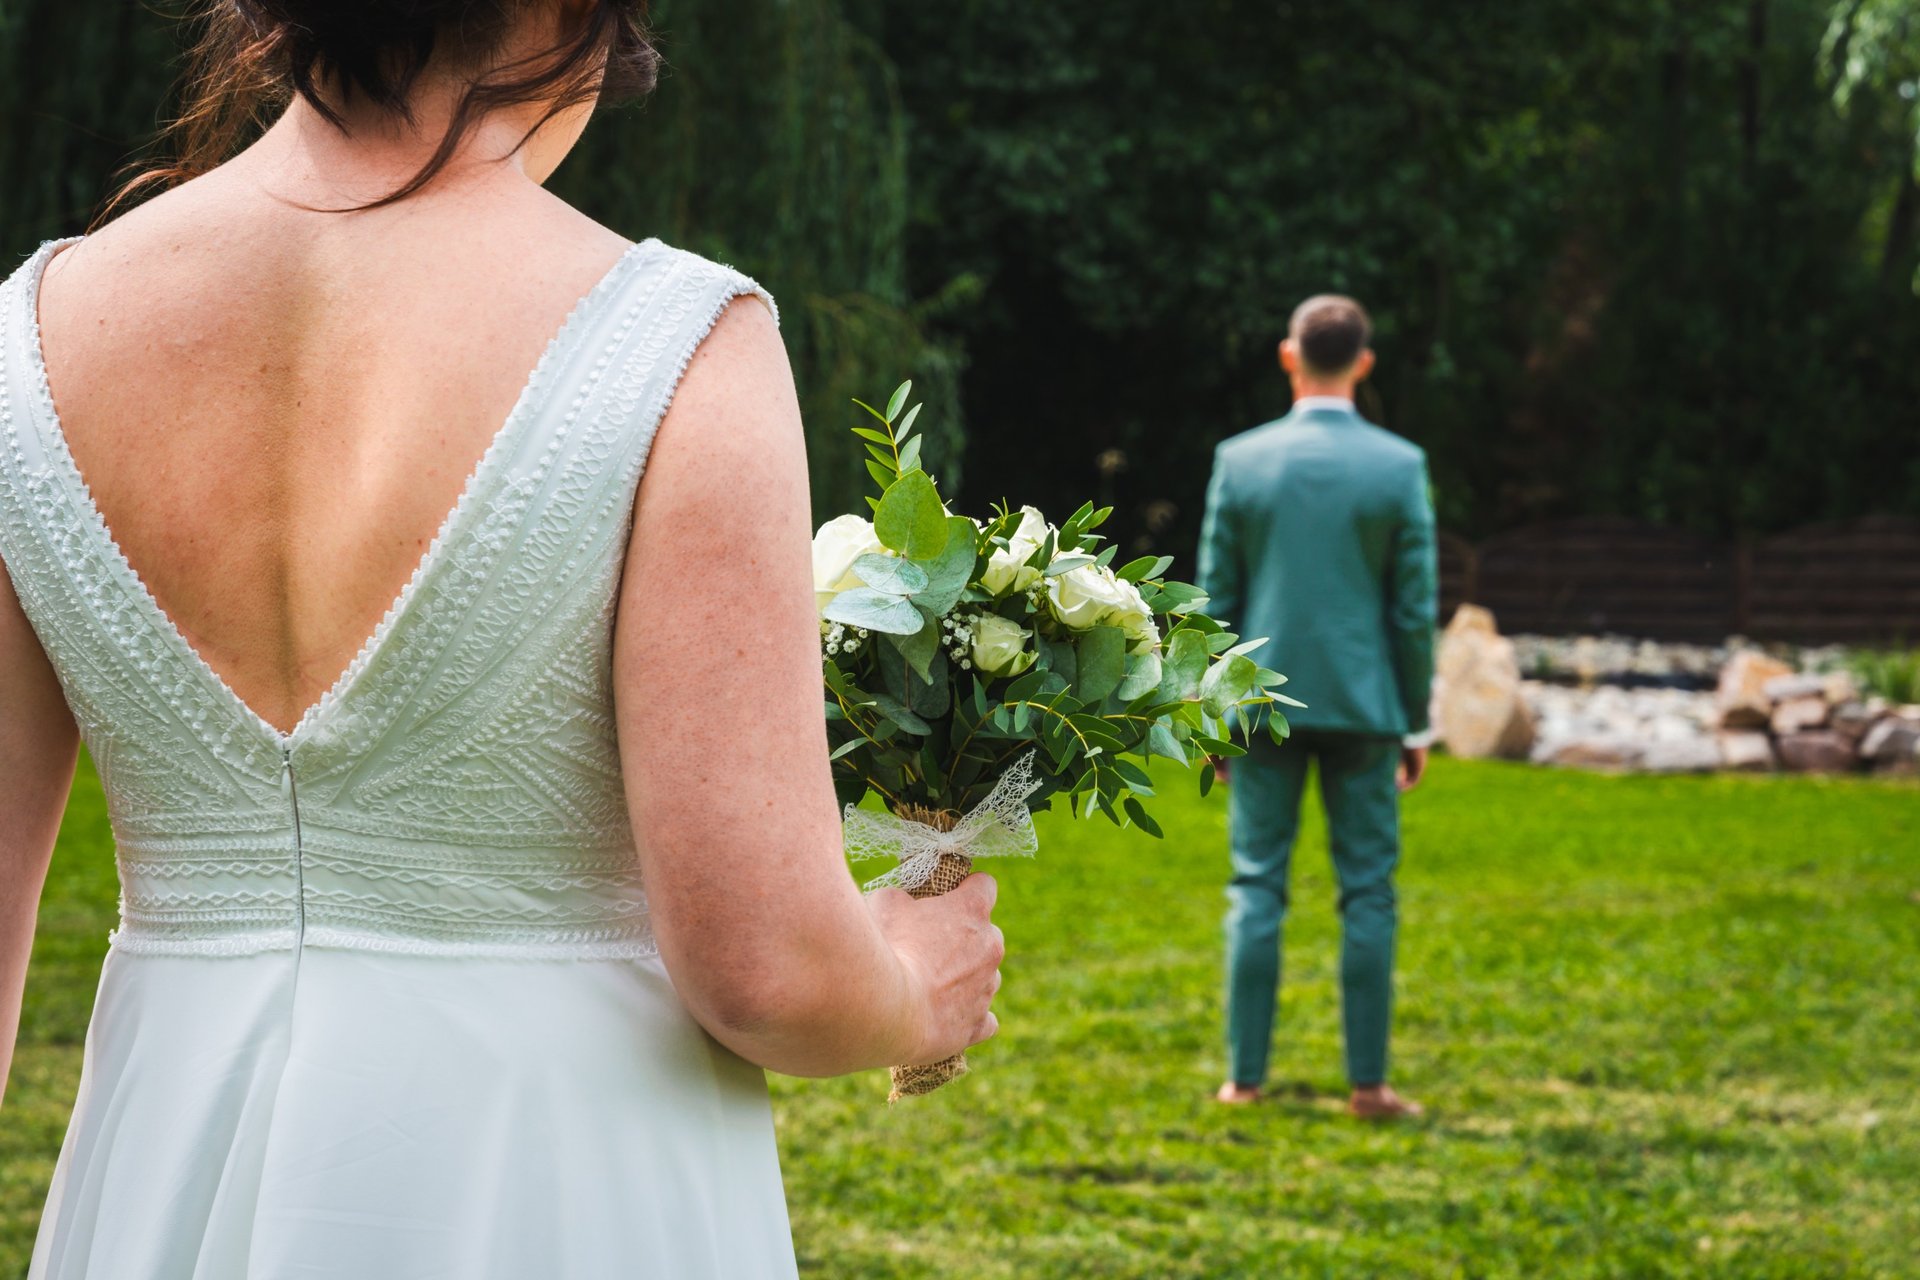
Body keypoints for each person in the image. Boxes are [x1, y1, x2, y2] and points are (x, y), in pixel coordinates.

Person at [0, 2, 1005, 1275]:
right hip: (562, 1168)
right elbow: (765, 969)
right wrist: (913, 983)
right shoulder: (679, 343)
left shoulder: (26, 342)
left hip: (165, 1156)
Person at [1195, 294, 1438, 1119]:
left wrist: (1211, 716)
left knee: (1256, 886)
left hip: (1262, 708)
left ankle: (1243, 1079)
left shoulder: (1240, 461)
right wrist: (1415, 719)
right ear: (1364, 363)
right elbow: (1412, 611)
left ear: (1287, 355)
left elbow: (1214, 605)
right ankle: (1369, 1085)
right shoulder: (1399, 467)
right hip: (1367, 708)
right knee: (1368, 892)